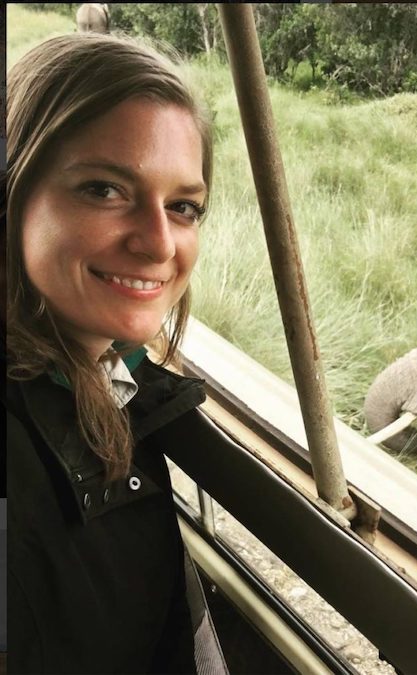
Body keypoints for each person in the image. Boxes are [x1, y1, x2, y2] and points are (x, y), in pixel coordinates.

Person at [5, 32, 229, 674]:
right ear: (12, 194)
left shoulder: (109, 381)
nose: (160, 245)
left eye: (184, 206)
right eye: (105, 190)